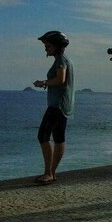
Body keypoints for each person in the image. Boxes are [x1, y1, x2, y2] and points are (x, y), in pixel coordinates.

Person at [33, 31, 75, 184]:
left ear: (57, 47)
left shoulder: (61, 60)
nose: (46, 49)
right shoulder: (64, 59)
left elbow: (60, 79)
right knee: (58, 138)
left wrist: (43, 83)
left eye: (48, 46)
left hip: (57, 106)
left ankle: (48, 173)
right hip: (64, 106)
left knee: (43, 136)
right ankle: (52, 173)